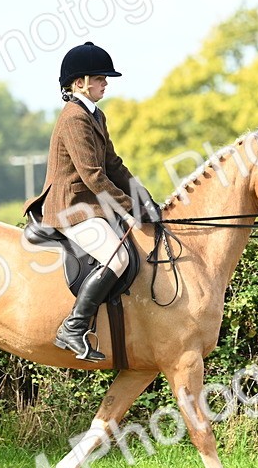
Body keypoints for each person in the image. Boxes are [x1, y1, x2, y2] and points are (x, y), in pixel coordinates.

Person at [24, 41, 162, 362]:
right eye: (100, 77)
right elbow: (94, 177)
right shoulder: (74, 118)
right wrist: (131, 207)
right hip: (70, 209)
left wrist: (145, 198)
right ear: (79, 83)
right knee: (117, 259)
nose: (105, 83)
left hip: (90, 206)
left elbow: (114, 165)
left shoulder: (95, 115)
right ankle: (73, 326)